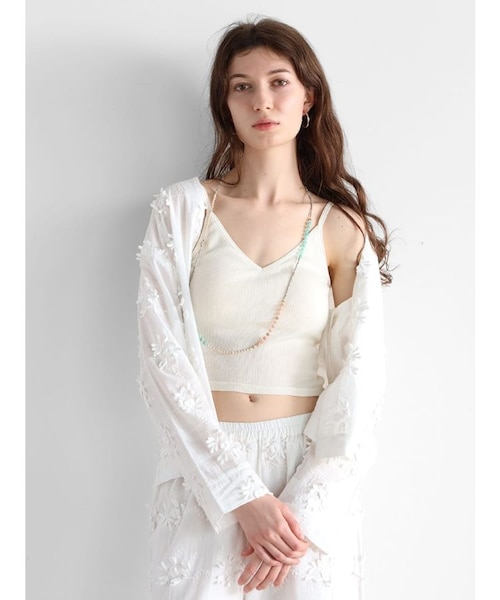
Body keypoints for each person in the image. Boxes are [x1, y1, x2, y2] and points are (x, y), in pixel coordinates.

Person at [136, 16, 391, 600]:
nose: (262, 101)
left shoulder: (339, 226)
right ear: (224, 104)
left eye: (278, 82)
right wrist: (240, 494)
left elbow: (361, 383)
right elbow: (160, 358)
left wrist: (299, 509)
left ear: (308, 98)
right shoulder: (182, 211)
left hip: (306, 483)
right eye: (241, 86)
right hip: (202, 475)